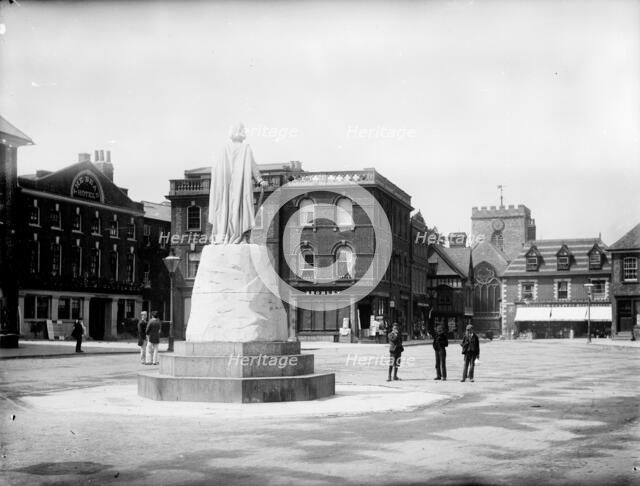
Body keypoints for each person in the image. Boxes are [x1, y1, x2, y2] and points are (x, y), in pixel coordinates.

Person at [208, 122, 268, 245]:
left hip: (229, 186)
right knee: (236, 208)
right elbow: (253, 166)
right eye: (243, 130)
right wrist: (260, 180)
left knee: (229, 208)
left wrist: (259, 179)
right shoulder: (243, 148)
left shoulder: (225, 148)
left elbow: (215, 168)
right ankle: (234, 235)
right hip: (233, 185)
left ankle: (227, 235)